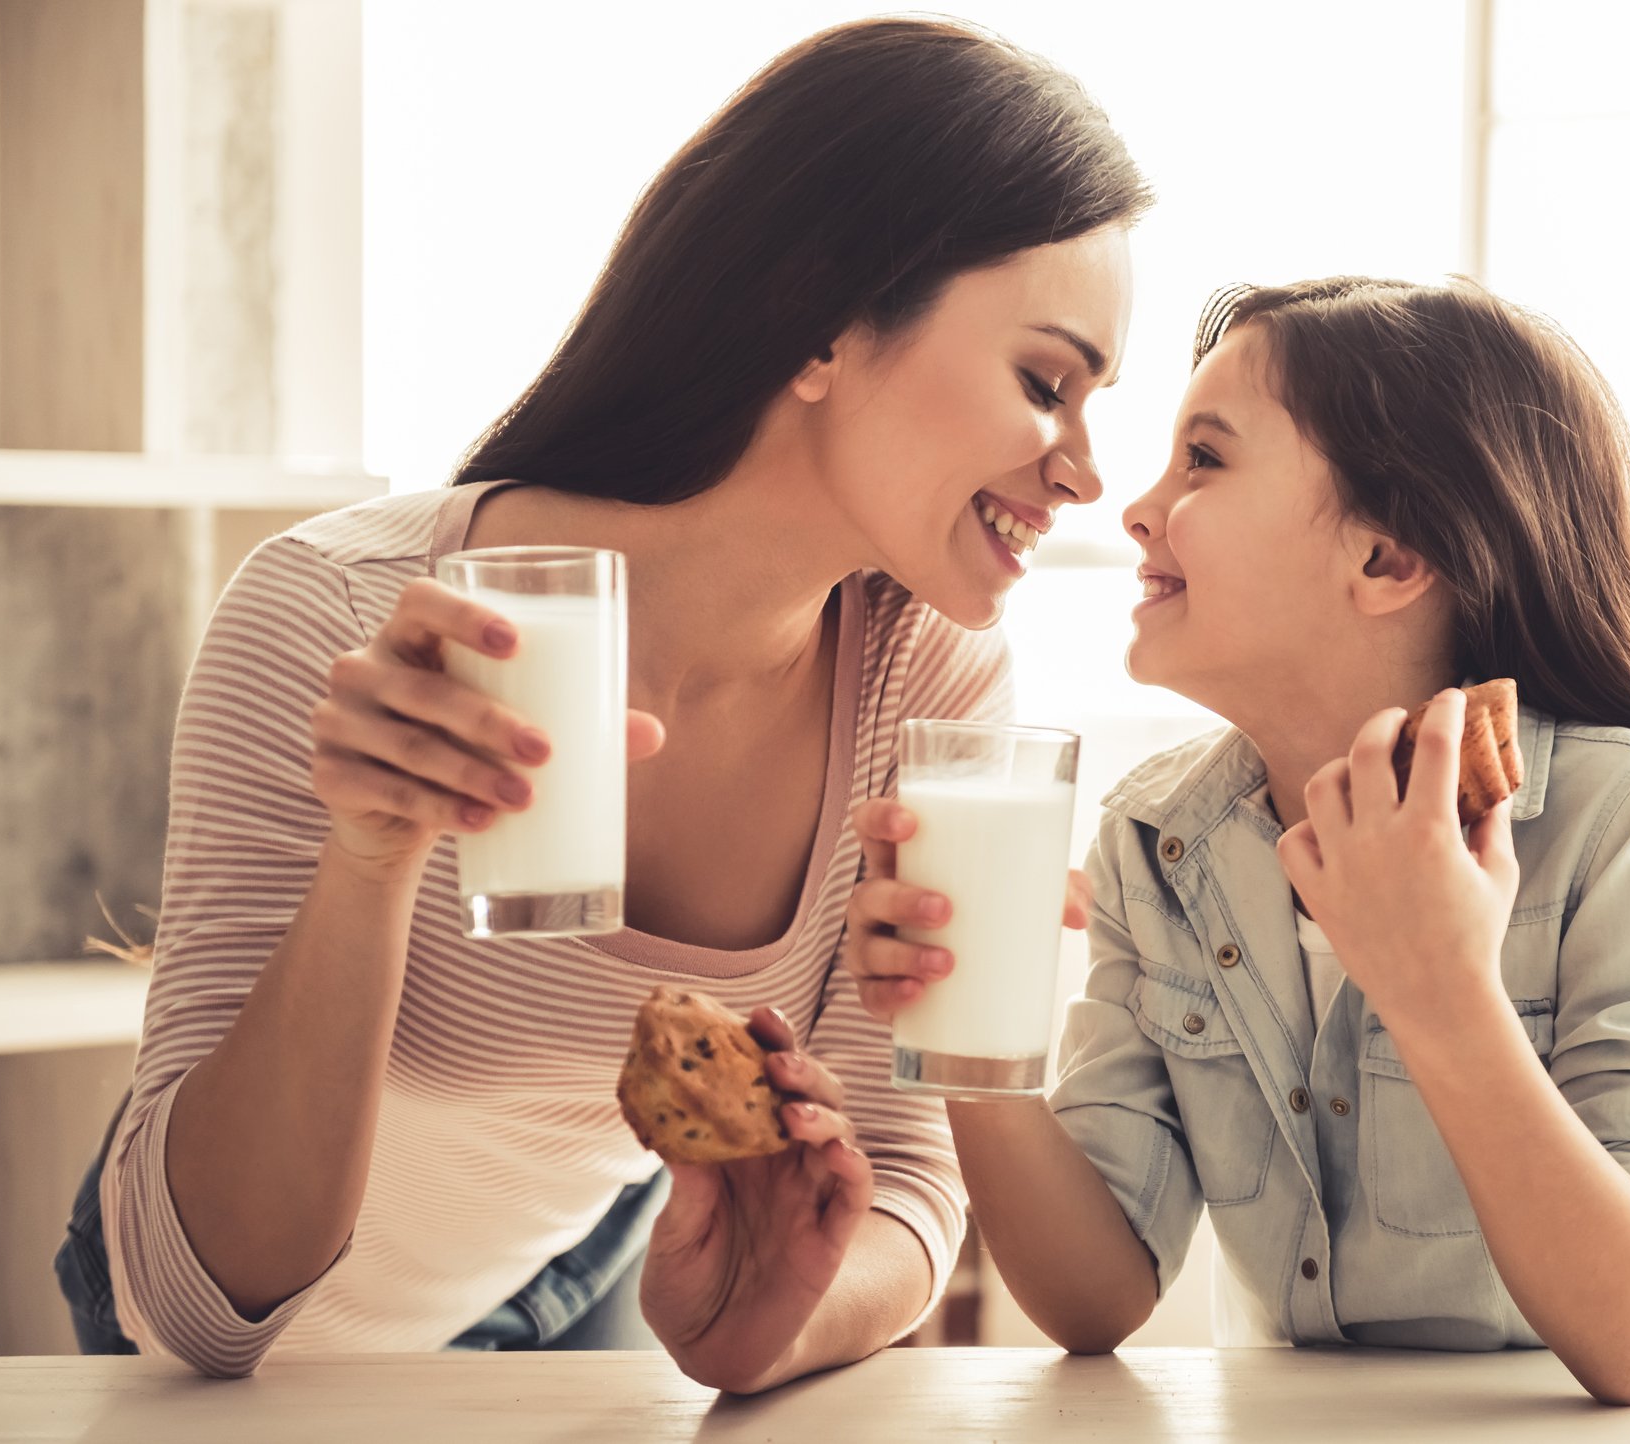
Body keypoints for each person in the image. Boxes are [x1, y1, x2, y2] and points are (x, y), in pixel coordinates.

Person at [56, 17, 1143, 1392]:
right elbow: (204, 1314)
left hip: (577, 1287)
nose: (1089, 472)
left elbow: (907, 1174)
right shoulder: (340, 616)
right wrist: (375, 858)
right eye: (1046, 384)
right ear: (821, 322)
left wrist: (769, 1324)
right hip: (221, 1331)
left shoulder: (929, 680)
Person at [844, 276, 1630, 1405]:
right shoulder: (1156, 843)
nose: (1137, 508)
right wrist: (968, 1027)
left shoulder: (1619, 814)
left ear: (1387, 559)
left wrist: (1441, 986)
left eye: (1203, 459)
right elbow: (1094, 1296)